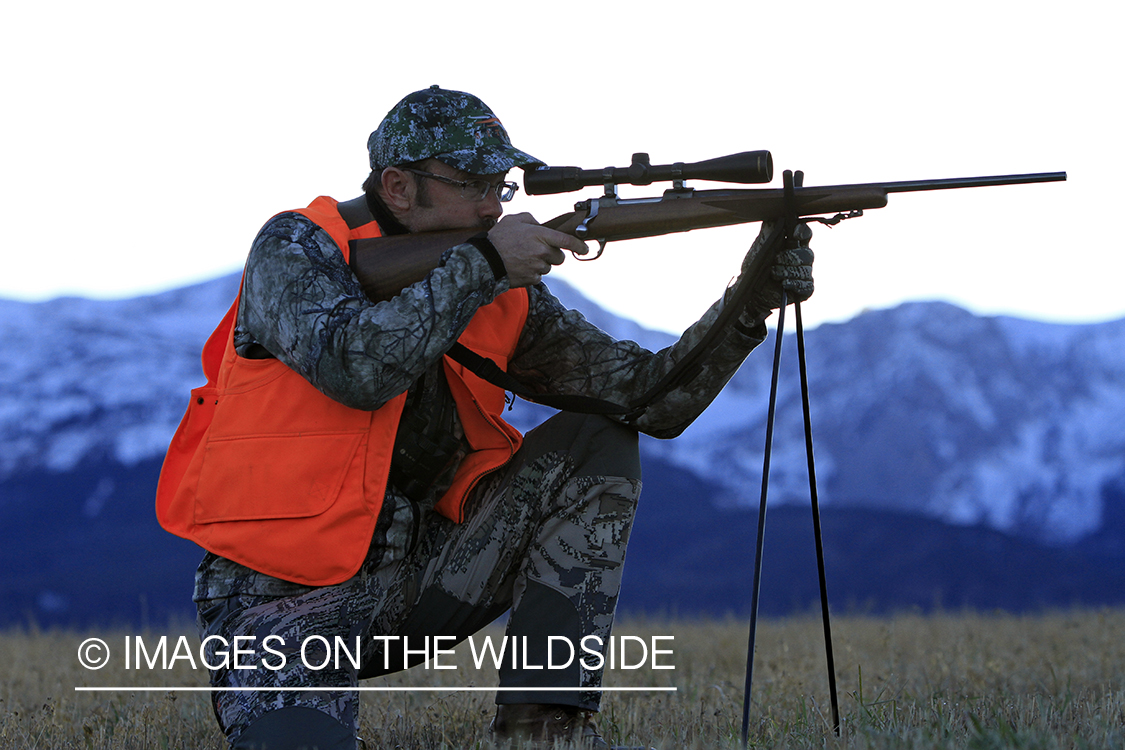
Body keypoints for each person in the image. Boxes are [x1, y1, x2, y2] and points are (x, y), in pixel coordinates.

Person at [156, 85, 814, 749]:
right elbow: (355, 369)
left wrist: (750, 299)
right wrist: (484, 264)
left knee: (594, 439)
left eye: (500, 185)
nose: (493, 205)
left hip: (417, 582)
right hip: (278, 604)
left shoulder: (493, 282)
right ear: (398, 187)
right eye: (472, 184)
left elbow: (651, 399)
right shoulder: (295, 250)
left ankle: (541, 728)